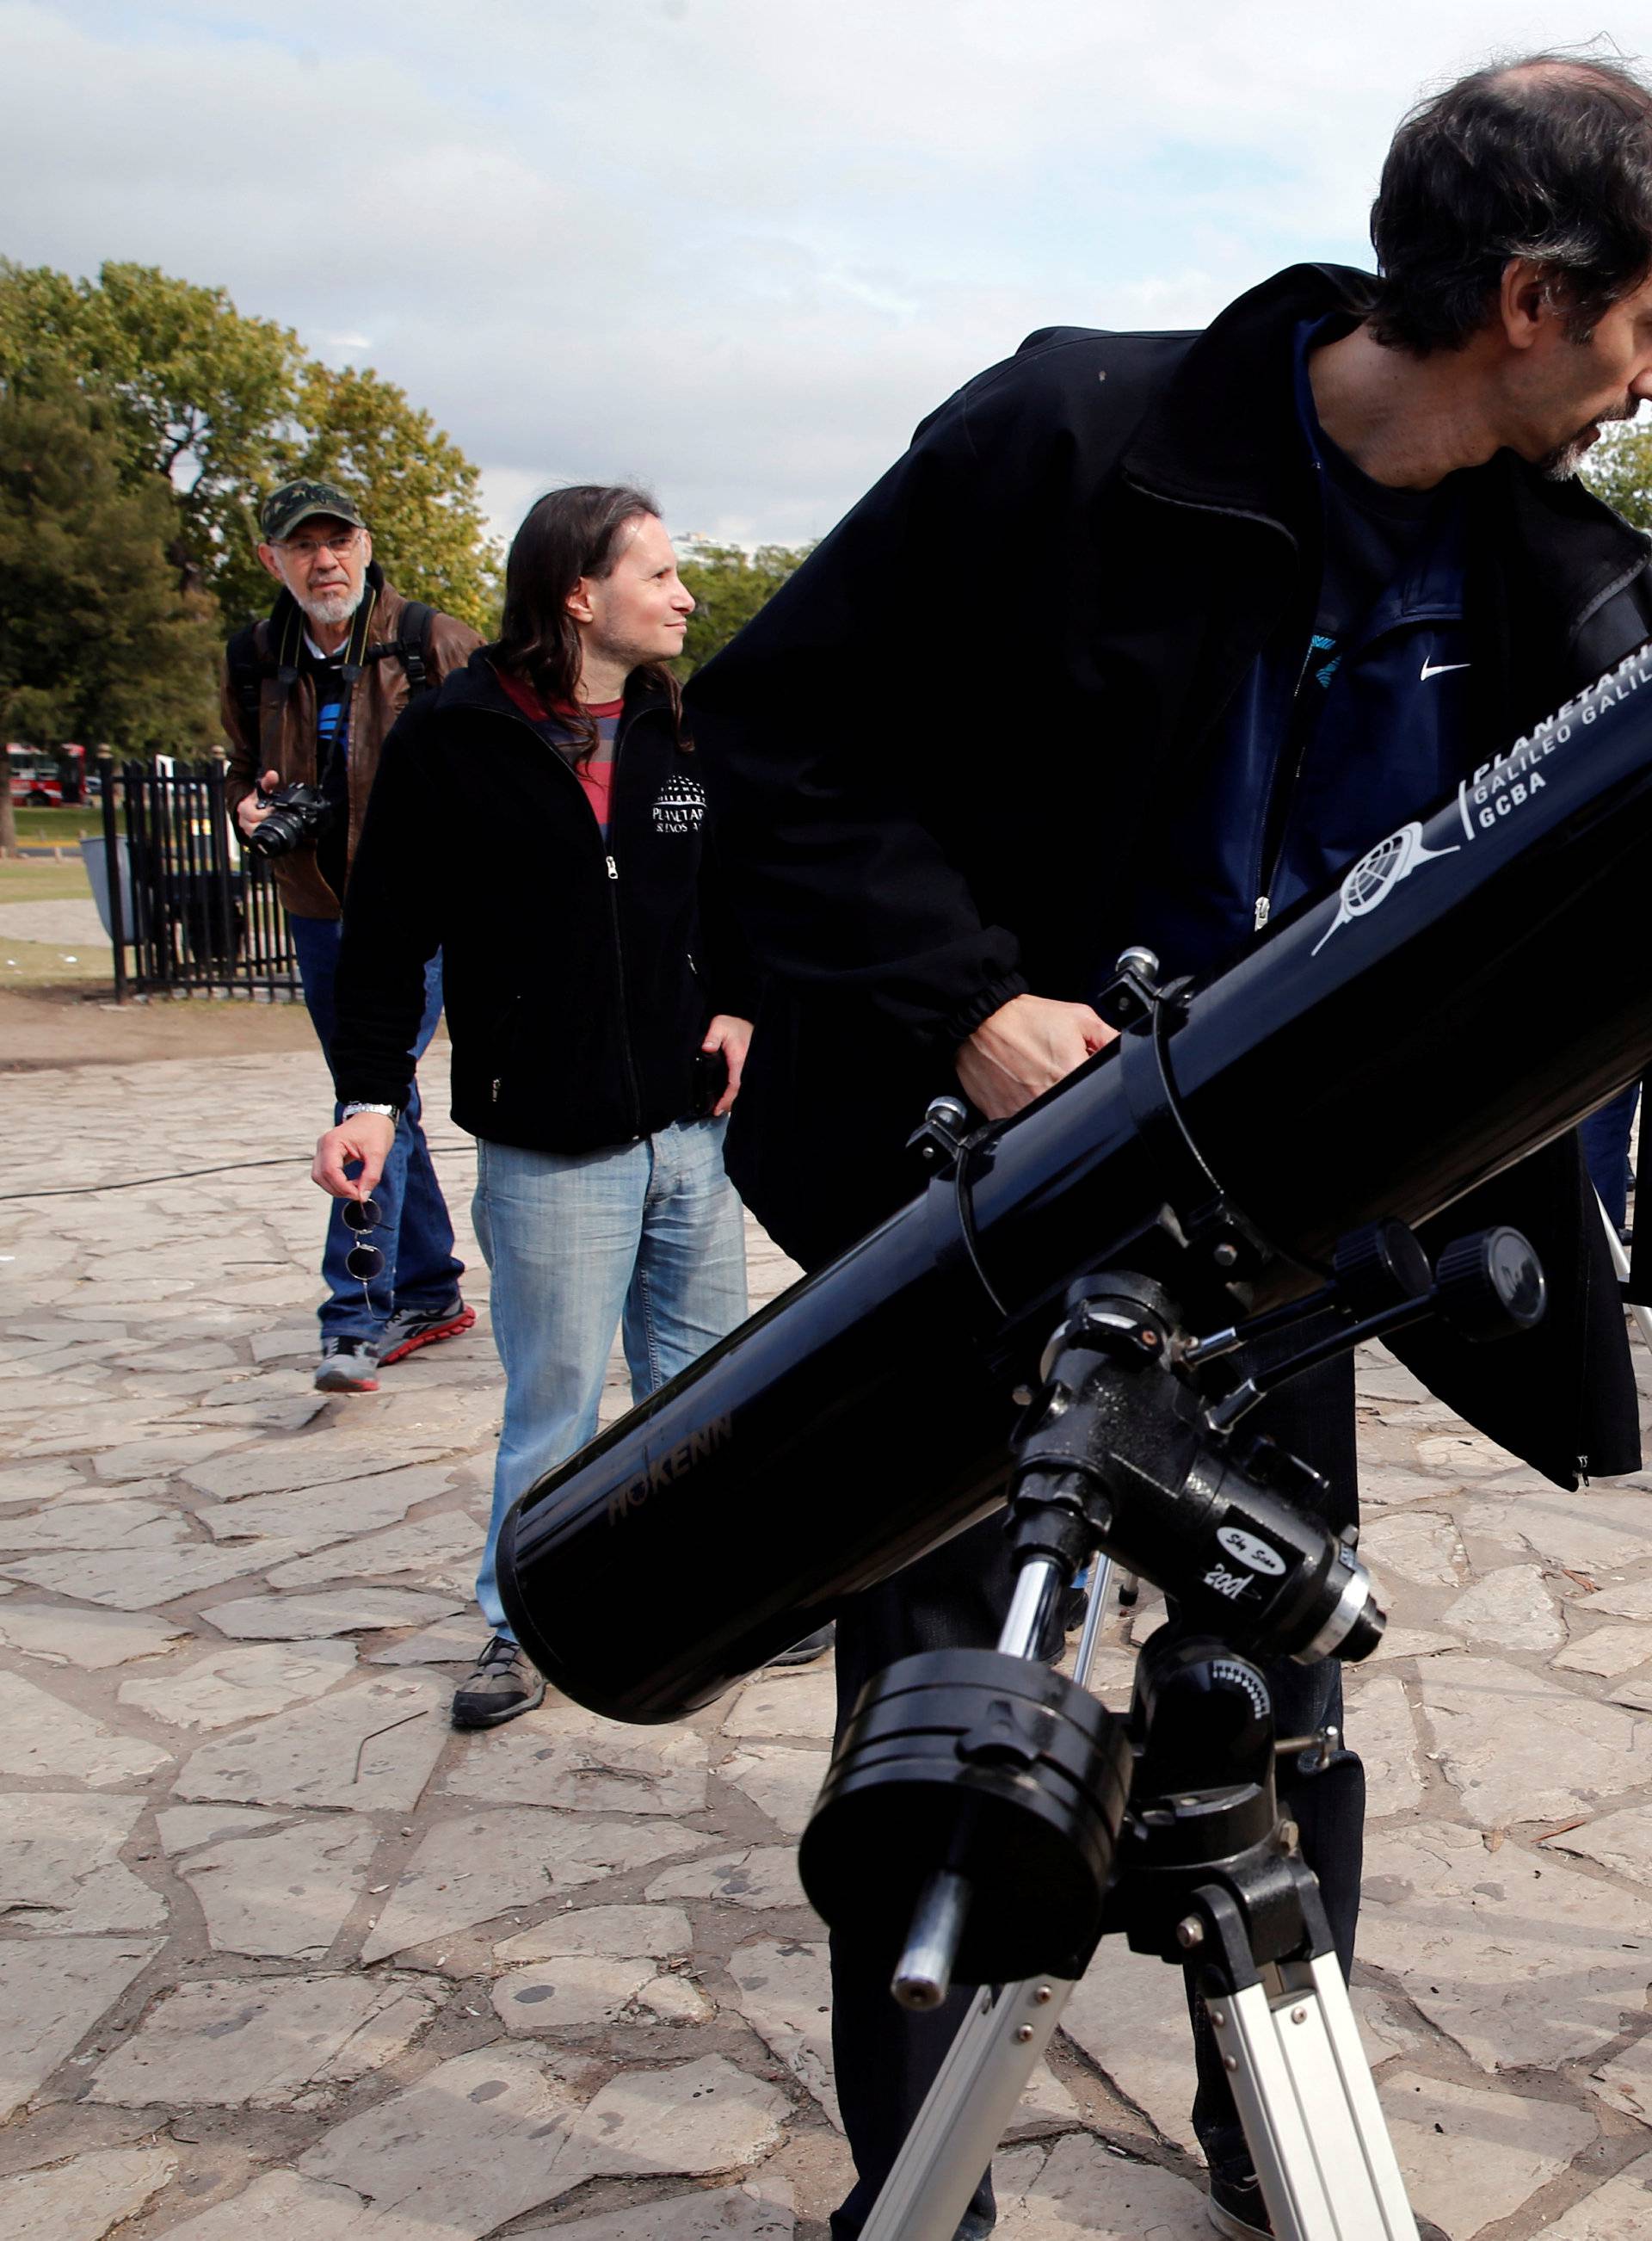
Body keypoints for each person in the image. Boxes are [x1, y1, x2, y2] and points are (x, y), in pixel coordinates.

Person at [687, 55, 1652, 2241]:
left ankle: (1256, 2108)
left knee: (1274, 1685)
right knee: (948, 1703)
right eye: (1642, 322)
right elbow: (771, 742)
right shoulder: (1071, 438)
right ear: (1529, 294)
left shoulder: (1568, 588)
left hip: (1280, 1233)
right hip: (991, 1215)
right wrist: (962, 990)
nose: (1640, 377)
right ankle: (922, 2174)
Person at [311, 485, 758, 1728]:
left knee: (705, 1390)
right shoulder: (452, 739)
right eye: (658, 575)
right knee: (555, 1404)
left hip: (691, 1130)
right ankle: (524, 1627)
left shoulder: (681, 724)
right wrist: (366, 1099)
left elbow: (729, 895)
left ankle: (714, 1599)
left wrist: (741, 1004)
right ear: (578, 593)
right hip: (549, 1144)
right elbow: (385, 936)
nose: (683, 596)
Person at [224, 479, 482, 1394]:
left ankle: (355, 1314)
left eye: (337, 542)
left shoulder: (434, 641)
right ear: (273, 560)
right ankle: (431, 1287)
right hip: (321, 907)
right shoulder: (255, 655)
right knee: (383, 1099)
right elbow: (239, 767)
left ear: (366, 546)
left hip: (421, 911)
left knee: (364, 1100)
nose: (323, 560)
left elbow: (509, 758)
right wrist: (248, 807)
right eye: (303, 546)